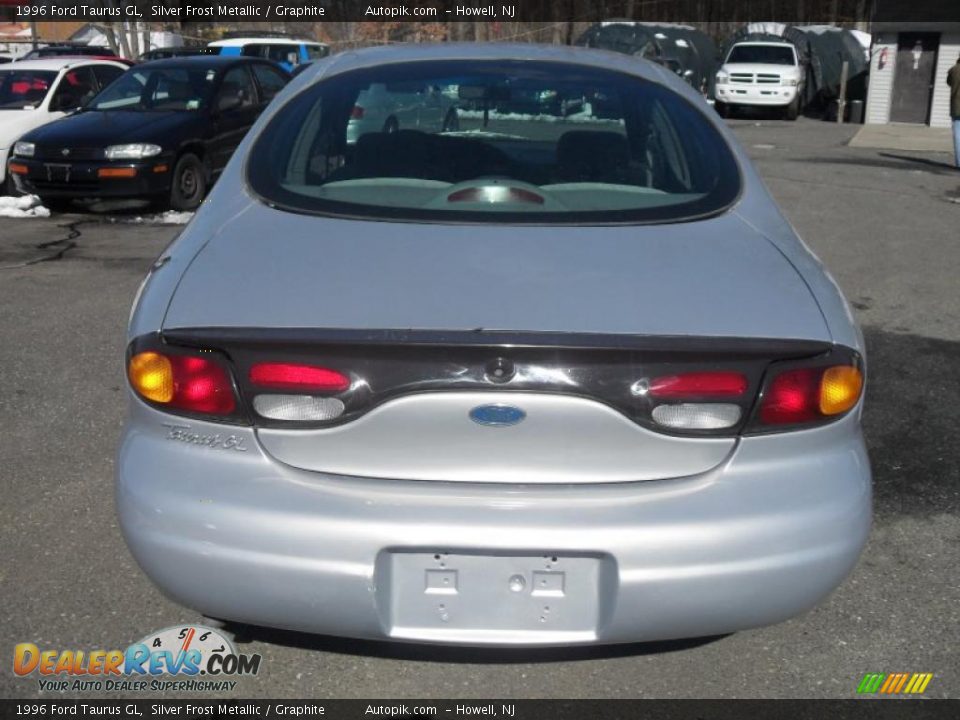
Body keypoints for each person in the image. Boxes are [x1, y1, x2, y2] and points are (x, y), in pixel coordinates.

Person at [949, 54, 960, 168]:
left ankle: (959, 162)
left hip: (956, 106)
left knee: (957, 135)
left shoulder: (953, 70)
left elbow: (949, 82)